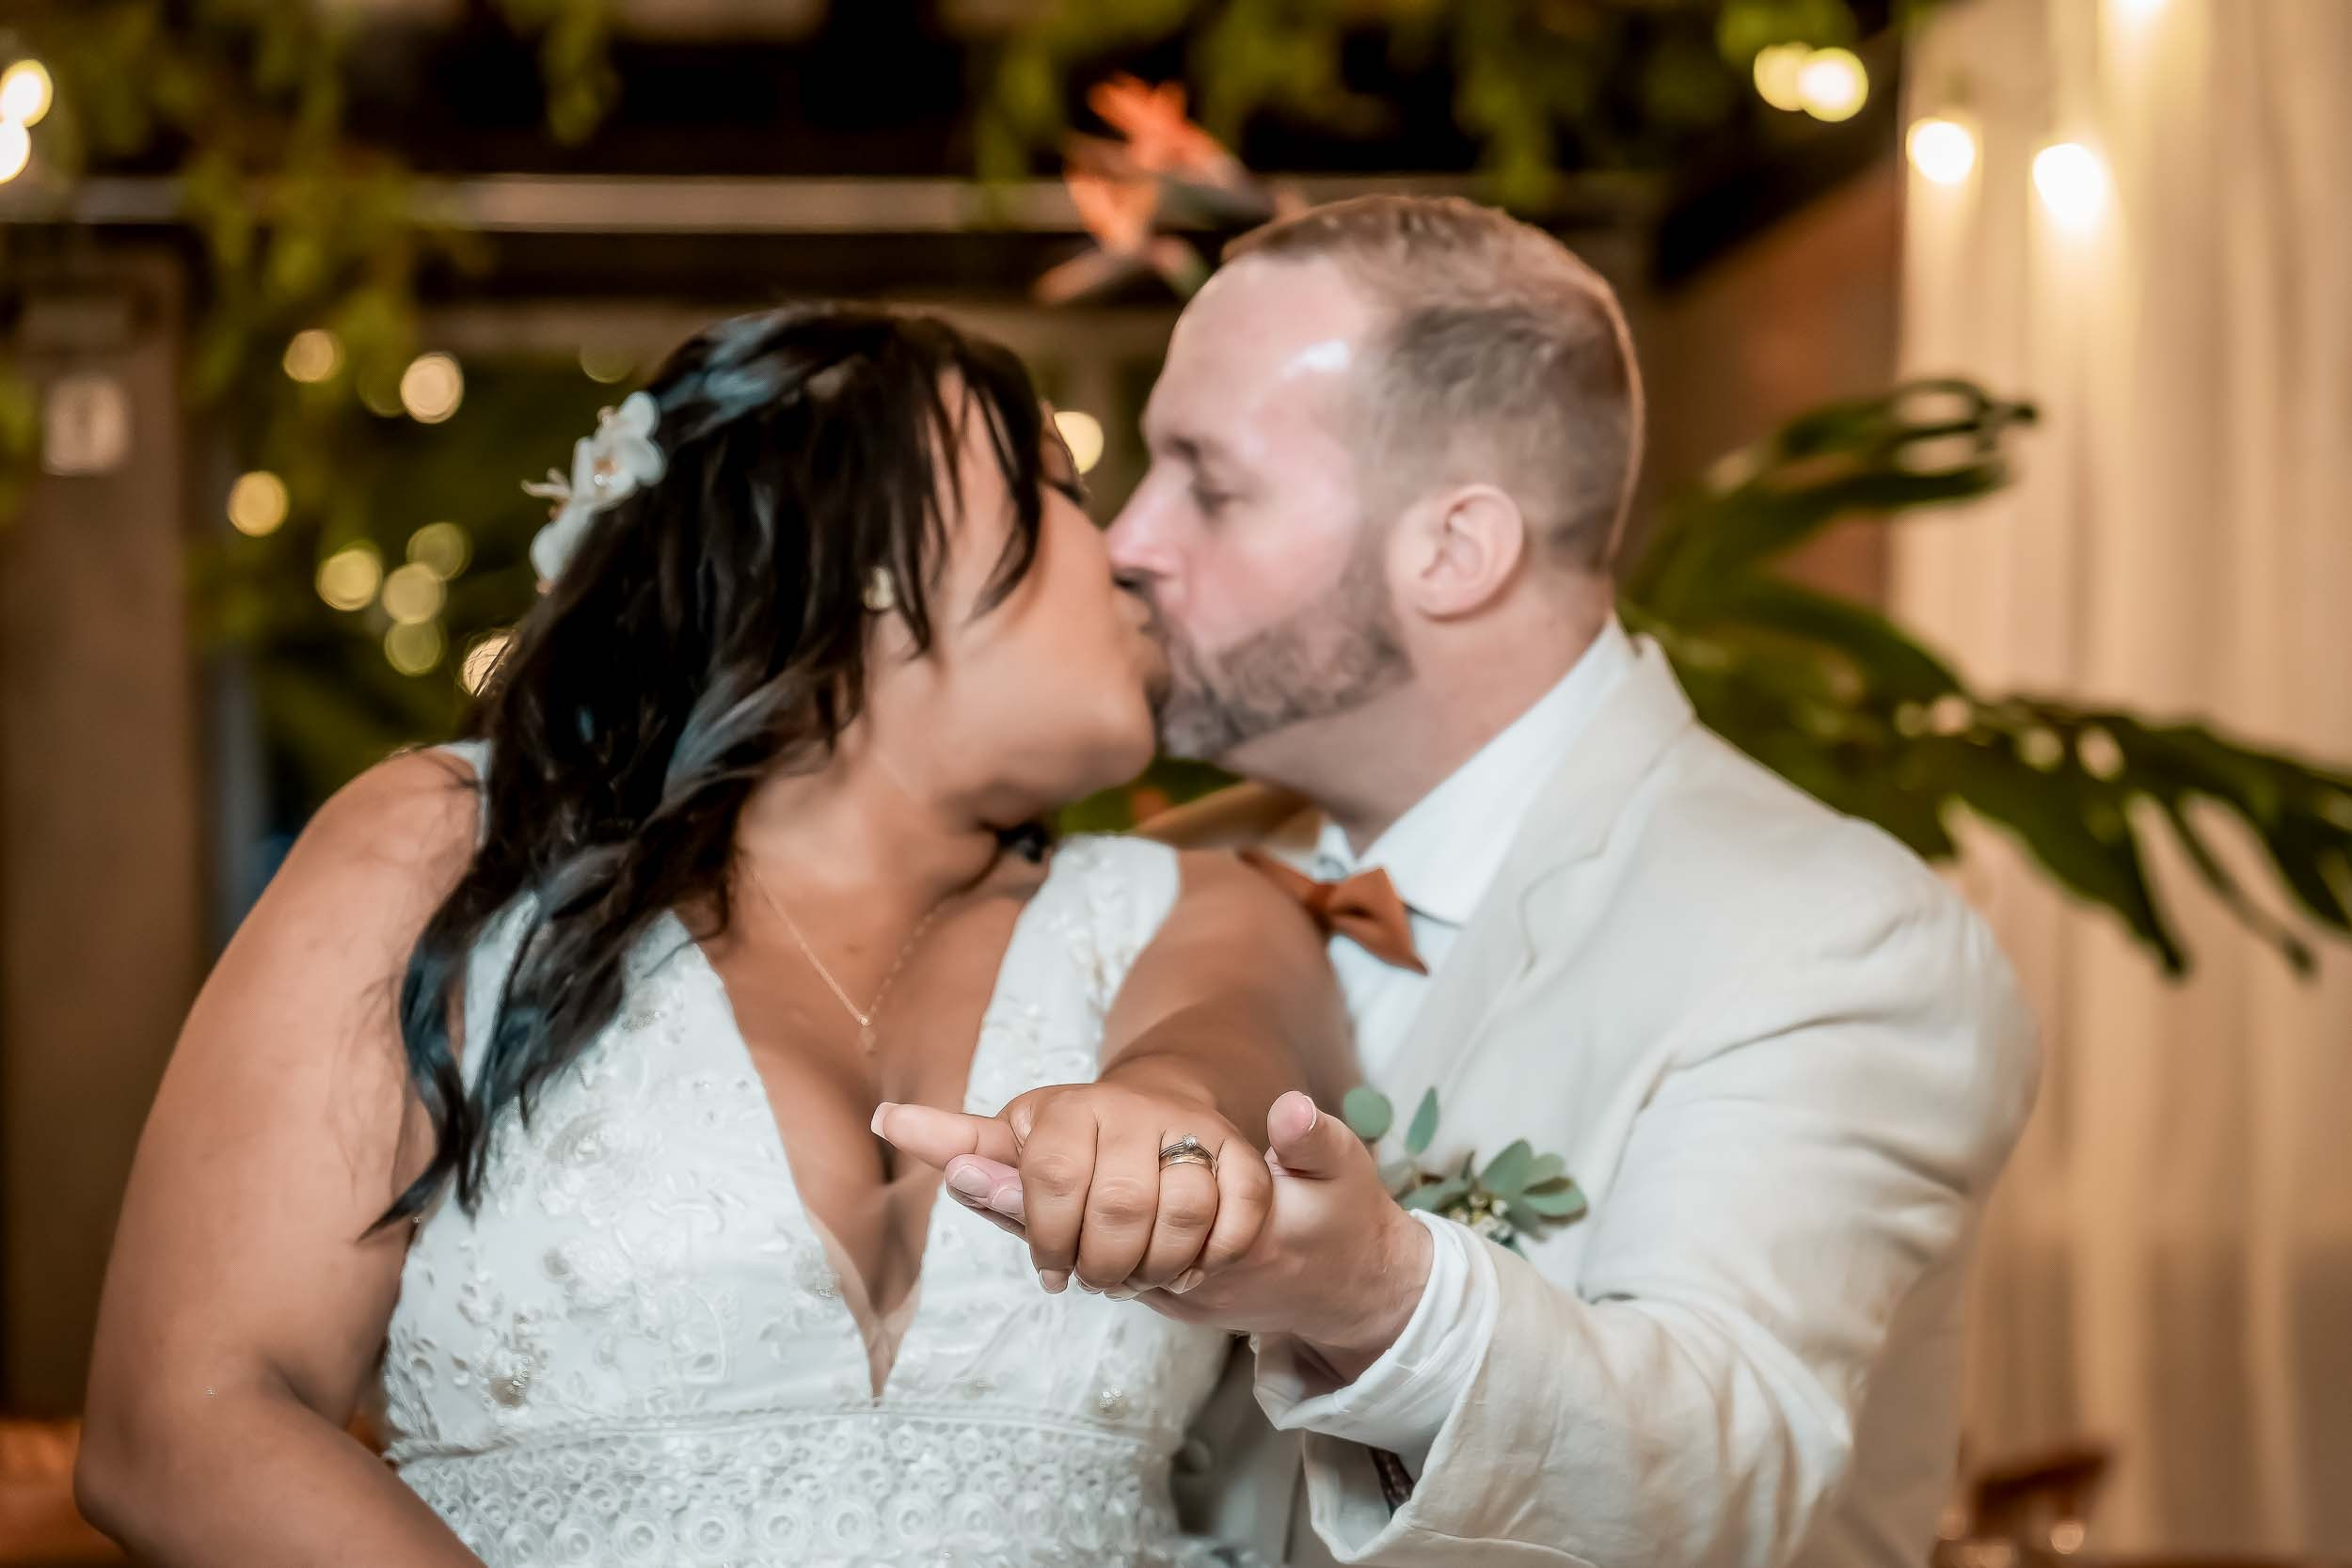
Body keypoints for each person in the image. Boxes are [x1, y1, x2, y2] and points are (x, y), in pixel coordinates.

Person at [73, 305, 1353, 1568]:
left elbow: (1222, 1054)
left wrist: (1159, 1117)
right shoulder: (448, 850)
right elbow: (182, 1422)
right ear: (863, 548)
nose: (1125, 553)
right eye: (1060, 489)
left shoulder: (1188, 904)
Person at [881, 195, 2044, 1568]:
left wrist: (1380, 1292)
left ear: (1454, 550)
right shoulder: (1141, 890)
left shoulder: (1832, 938)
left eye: (1211, 481)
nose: (1128, 541)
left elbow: (1737, 1480)